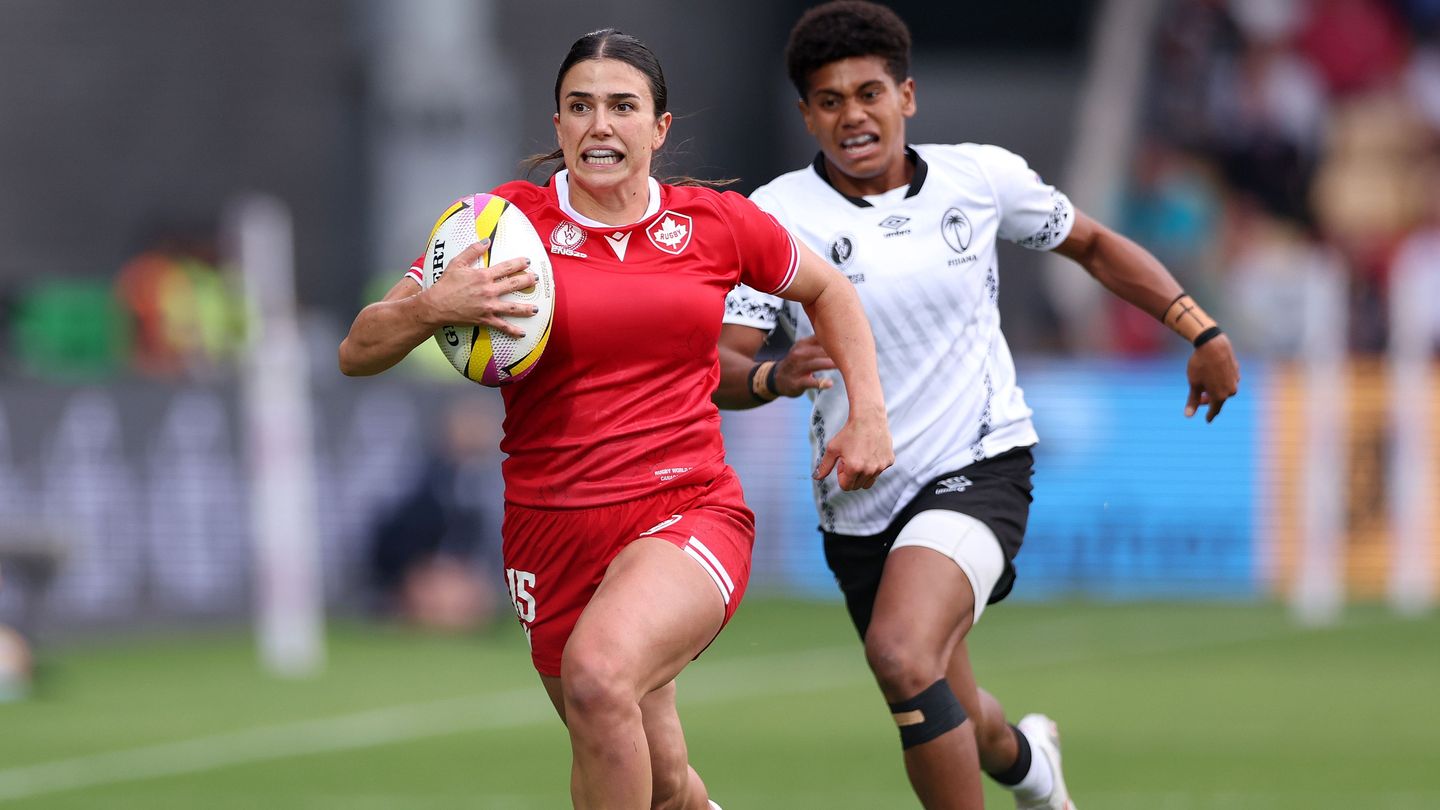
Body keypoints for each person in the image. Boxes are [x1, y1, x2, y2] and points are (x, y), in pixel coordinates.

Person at [339, 28, 893, 810]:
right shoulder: (499, 226)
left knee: (600, 679)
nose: (600, 124)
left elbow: (829, 289)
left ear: (658, 128)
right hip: (549, 530)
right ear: (558, 123)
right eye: (581, 106)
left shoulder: (715, 223)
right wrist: (434, 306)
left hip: (686, 509)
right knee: (660, 780)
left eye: (622, 106)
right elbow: (357, 350)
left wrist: (868, 414)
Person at [715, 3, 1241, 809]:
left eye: (869, 93)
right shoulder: (774, 216)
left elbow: (1092, 245)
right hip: (858, 502)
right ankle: (1033, 766)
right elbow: (724, 364)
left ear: (907, 95)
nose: (853, 115)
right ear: (806, 115)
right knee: (959, 711)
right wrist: (772, 378)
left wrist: (1197, 327)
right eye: (830, 100)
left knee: (901, 653)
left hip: (980, 465)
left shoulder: (979, 177)